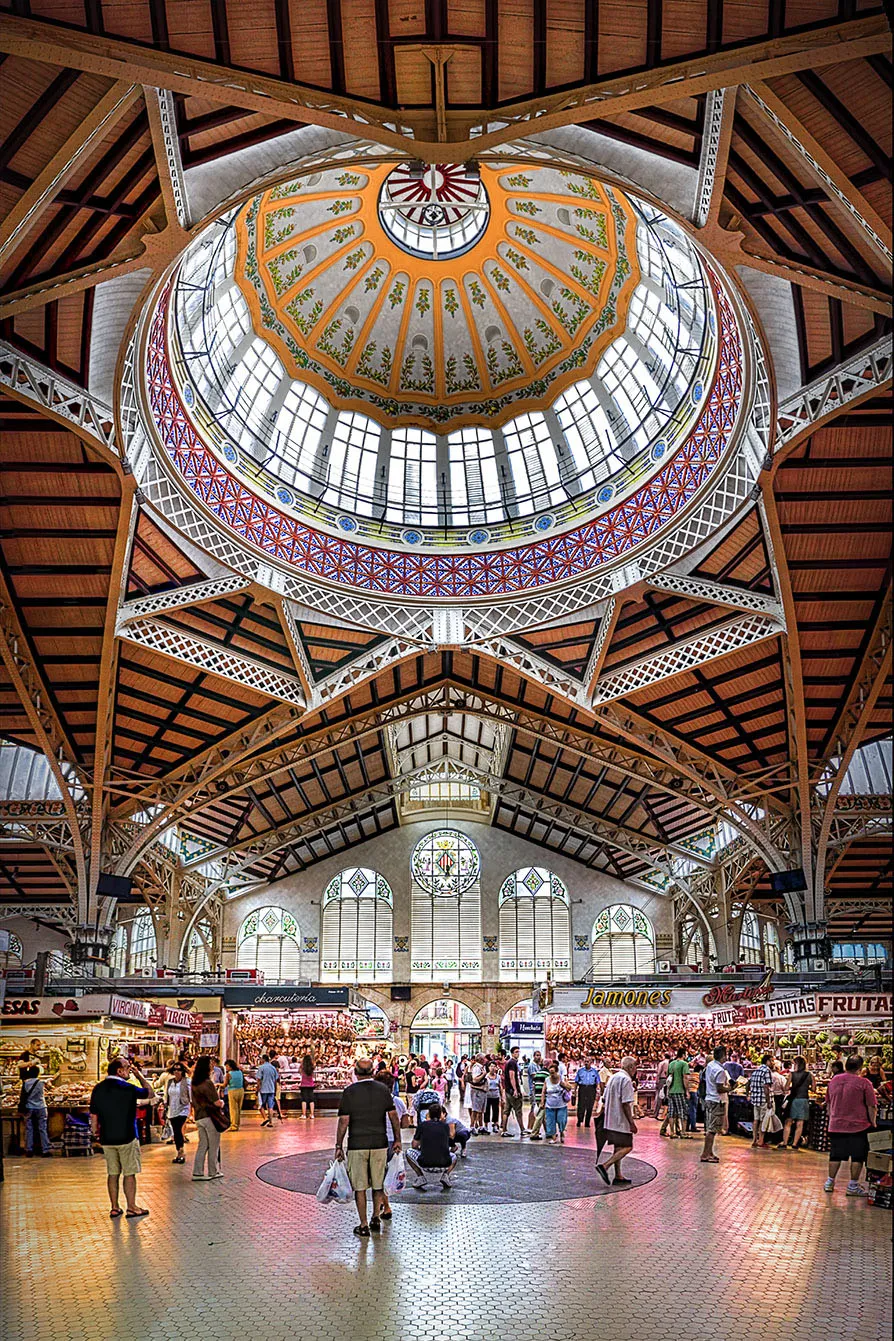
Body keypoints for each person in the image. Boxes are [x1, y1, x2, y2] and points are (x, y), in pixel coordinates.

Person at [335, 1058, 402, 1237]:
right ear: (373, 1072)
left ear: (355, 1073)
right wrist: (397, 1139)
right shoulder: (383, 1090)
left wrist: (338, 1145)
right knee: (378, 1184)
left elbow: (344, 1121)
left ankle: (363, 1224)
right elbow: (394, 1116)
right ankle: (375, 1218)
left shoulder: (349, 1092)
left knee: (360, 1186)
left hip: (357, 1144)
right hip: (379, 1143)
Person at [89, 1056, 153, 1218]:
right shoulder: (127, 1088)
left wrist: (95, 1134)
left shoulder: (98, 1088)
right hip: (127, 1136)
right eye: (127, 1068)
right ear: (119, 1071)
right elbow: (149, 1093)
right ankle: (132, 1207)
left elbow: (93, 1115)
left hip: (107, 1138)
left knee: (113, 1173)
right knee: (129, 1173)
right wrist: (139, 1075)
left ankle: (114, 1207)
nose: (129, 1070)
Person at [824, 1055, 878, 1198]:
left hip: (835, 1125)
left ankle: (829, 1182)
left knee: (835, 1155)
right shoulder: (864, 1083)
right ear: (860, 1068)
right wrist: (873, 1122)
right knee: (857, 1157)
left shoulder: (833, 1081)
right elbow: (871, 1106)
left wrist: (832, 1118)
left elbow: (828, 1104)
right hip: (858, 1126)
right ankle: (852, 1186)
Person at [595, 1056, 638, 1185]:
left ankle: (618, 1176)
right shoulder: (626, 1080)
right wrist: (631, 1123)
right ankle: (605, 1166)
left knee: (618, 1147)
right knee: (627, 1147)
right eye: (635, 1067)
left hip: (611, 1119)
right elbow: (626, 1104)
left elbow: (604, 1099)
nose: (635, 1070)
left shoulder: (613, 1077)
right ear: (630, 1067)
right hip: (621, 1121)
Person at [405, 1104, 459, 1190]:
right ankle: (445, 1175)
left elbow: (414, 1145)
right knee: (454, 1157)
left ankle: (420, 1177)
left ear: (429, 1114)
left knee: (408, 1152)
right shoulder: (445, 1126)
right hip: (444, 1164)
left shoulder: (422, 1126)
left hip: (424, 1163)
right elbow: (454, 1147)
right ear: (441, 1114)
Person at [191, 1055, 225, 1181]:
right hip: (210, 1117)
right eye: (210, 1064)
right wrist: (222, 1103)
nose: (212, 1066)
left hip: (199, 1117)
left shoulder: (194, 1083)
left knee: (203, 1145)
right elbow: (216, 1102)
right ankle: (213, 1171)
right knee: (214, 1144)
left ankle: (197, 1172)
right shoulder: (208, 1083)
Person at [701, 1045, 730, 1164]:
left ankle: (710, 1152)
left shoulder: (710, 1066)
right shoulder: (720, 1071)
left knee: (710, 1127)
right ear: (723, 1056)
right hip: (717, 1100)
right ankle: (705, 1154)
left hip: (709, 1098)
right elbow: (720, 1088)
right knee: (712, 1130)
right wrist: (731, 1088)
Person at [779, 1057, 812, 1152]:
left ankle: (785, 1143)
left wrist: (791, 1088)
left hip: (794, 1100)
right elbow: (813, 1088)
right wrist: (806, 1087)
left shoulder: (791, 1074)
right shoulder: (809, 1075)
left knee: (788, 1122)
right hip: (804, 1100)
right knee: (800, 1123)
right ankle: (794, 1144)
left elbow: (786, 1087)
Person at [19, 1065, 52, 1157]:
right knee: (42, 1128)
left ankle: (29, 1150)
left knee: (29, 1128)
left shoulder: (25, 1083)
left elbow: (22, 1096)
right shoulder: (41, 1082)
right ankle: (45, 1150)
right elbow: (50, 1087)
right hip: (41, 1107)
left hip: (29, 1107)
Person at [166, 1062, 191, 1162]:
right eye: (175, 1070)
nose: (177, 1072)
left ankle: (181, 1152)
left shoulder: (187, 1081)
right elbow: (167, 1095)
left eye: (179, 1070)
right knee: (176, 1131)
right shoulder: (170, 1082)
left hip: (183, 1108)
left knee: (178, 1129)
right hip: (172, 1108)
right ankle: (179, 1152)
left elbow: (190, 1095)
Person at [540, 1063, 570, 1145]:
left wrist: (564, 1085)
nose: (552, 1074)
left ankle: (562, 1132)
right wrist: (542, 1102)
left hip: (561, 1105)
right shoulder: (547, 1080)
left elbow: (569, 1088)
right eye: (550, 1073)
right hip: (550, 1105)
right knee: (550, 1121)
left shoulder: (562, 1079)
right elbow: (543, 1092)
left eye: (553, 1072)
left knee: (562, 1120)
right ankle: (553, 1137)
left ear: (557, 1071)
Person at [748, 1054, 774, 1149]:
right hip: (763, 1099)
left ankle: (754, 1140)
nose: (773, 1063)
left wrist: (749, 1095)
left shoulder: (756, 1071)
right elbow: (766, 1087)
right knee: (764, 1120)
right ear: (766, 1061)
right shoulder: (766, 1071)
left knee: (756, 1120)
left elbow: (748, 1083)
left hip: (755, 1100)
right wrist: (768, 1101)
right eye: (771, 1061)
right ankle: (761, 1141)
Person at [664, 1047, 690, 1139]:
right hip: (680, 1091)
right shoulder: (684, 1064)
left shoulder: (671, 1064)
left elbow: (668, 1076)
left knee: (672, 1112)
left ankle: (672, 1132)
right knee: (683, 1111)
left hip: (671, 1091)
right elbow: (685, 1078)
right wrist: (687, 1091)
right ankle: (683, 1132)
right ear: (683, 1055)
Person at [501, 1046, 526, 1137]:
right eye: (516, 1052)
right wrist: (515, 1089)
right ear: (512, 1053)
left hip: (508, 1090)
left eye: (518, 1052)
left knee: (506, 1110)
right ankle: (522, 1129)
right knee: (518, 1110)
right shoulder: (512, 1063)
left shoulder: (510, 1063)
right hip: (512, 1090)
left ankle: (504, 1130)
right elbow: (512, 1076)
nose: (517, 1054)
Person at [572, 1055, 600, 1128]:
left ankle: (587, 1122)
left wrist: (598, 1090)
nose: (586, 1063)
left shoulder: (594, 1071)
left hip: (591, 1089)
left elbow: (597, 1082)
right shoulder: (580, 1071)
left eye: (588, 1062)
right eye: (585, 1062)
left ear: (591, 1062)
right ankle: (579, 1120)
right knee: (581, 1105)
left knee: (590, 1106)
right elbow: (576, 1081)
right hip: (582, 1088)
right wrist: (574, 1091)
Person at [466, 1056, 488, 1134]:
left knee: (480, 1110)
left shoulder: (481, 1067)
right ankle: (472, 1126)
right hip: (477, 1091)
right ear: (481, 1059)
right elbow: (475, 1079)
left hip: (482, 1091)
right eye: (484, 1058)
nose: (486, 1059)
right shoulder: (477, 1067)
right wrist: (484, 1074)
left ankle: (481, 1126)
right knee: (475, 1110)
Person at [256, 1054, 278, 1127]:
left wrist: (257, 1088)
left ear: (263, 1059)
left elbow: (259, 1079)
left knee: (261, 1105)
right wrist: (275, 1089)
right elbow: (275, 1080)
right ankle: (271, 1122)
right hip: (271, 1089)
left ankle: (265, 1118)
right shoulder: (273, 1068)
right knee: (270, 1106)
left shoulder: (261, 1068)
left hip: (263, 1089)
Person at [224, 1059, 244, 1131]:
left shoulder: (229, 1074)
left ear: (230, 1066)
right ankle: (237, 1124)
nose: (226, 1068)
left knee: (233, 1109)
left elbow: (224, 1085)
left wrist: (217, 1084)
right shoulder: (240, 1072)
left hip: (232, 1091)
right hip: (241, 1091)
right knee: (238, 1108)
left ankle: (234, 1125)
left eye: (227, 1066)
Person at [655, 1052, 671, 1130]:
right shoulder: (670, 1063)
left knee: (659, 1096)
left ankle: (656, 1113)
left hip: (662, 1079)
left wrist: (657, 1081)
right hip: (668, 1080)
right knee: (667, 1096)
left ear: (664, 1056)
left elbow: (658, 1072)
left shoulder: (662, 1063)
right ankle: (666, 1113)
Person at [484, 1063, 502, 1133]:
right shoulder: (486, 1076)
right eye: (491, 1066)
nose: (493, 1068)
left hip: (495, 1096)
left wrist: (502, 1096)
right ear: (488, 1067)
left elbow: (500, 1086)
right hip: (487, 1096)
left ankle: (495, 1125)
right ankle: (485, 1125)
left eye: (494, 1066)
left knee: (496, 1110)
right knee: (486, 1111)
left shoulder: (498, 1077)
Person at [686, 1063, 702, 1133]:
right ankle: (693, 1126)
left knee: (689, 1109)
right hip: (694, 1092)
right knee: (693, 1110)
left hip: (688, 1092)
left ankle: (687, 1126)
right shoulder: (698, 1075)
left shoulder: (690, 1075)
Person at [299, 1053, 316, 1119]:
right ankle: (312, 1114)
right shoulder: (312, 1067)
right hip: (311, 1085)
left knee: (304, 1100)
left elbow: (299, 1072)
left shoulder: (302, 1067)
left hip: (303, 1084)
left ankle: (304, 1114)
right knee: (311, 1100)